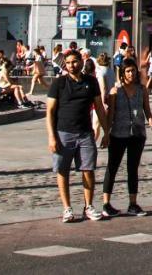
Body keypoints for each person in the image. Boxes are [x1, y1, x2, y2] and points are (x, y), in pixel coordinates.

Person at [47, 49, 109, 223]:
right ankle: (67, 208)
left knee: (88, 169)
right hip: (63, 133)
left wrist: (106, 131)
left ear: (81, 62)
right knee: (62, 170)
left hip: (85, 133)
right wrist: (52, 137)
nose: (71, 66)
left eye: (74, 62)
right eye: (68, 63)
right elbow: (50, 112)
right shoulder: (59, 83)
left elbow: (99, 107)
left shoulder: (91, 81)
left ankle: (88, 206)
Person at [101, 57, 152, 217]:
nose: (131, 73)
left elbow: (147, 108)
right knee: (112, 167)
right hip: (118, 133)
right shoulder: (115, 91)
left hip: (137, 134)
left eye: (133, 70)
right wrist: (106, 133)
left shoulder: (142, 89)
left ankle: (133, 203)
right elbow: (110, 115)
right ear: (122, 73)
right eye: (128, 71)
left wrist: (151, 120)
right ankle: (106, 204)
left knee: (133, 168)